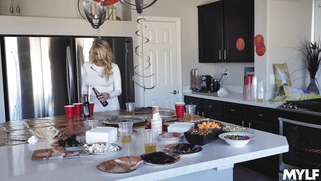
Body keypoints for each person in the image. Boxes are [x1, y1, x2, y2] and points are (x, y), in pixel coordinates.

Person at [81, 39, 122, 112]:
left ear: (106, 53)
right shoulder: (87, 66)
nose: (98, 57)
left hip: (111, 105)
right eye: (96, 53)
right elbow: (84, 84)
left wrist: (108, 95)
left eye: (101, 54)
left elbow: (118, 90)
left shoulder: (113, 67)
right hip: (94, 104)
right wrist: (84, 95)